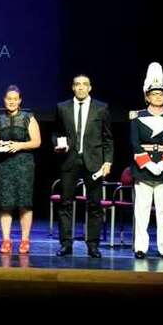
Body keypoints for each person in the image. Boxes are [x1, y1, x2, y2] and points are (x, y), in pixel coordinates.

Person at [52, 74, 113, 258]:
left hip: (93, 161)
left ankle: (93, 245)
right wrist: (56, 143)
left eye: (84, 84)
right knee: (65, 203)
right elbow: (56, 132)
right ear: (72, 87)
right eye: (77, 84)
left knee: (94, 204)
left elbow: (107, 138)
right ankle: (66, 244)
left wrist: (107, 161)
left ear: (90, 88)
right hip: (69, 160)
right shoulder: (62, 107)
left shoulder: (101, 108)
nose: (80, 87)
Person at [130, 62, 163, 260]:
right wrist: (149, 164)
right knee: (141, 210)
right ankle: (140, 247)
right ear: (147, 97)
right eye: (154, 94)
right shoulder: (137, 117)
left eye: (161, 94)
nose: (158, 97)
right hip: (143, 169)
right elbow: (135, 144)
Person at [0, 85, 41, 254]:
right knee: (5, 203)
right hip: (3, 165)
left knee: (24, 203)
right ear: (4, 100)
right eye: (8, 99)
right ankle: (6, 240)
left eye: (15, 99)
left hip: (23, 165)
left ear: (19, 101)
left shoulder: (28, 118)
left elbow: (36, 142)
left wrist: (19, 145)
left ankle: (25, 240)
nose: (11, 102)